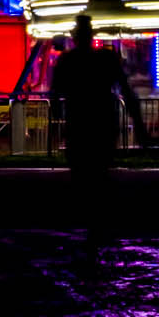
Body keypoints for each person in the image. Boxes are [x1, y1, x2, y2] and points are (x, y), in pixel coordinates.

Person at [49, 14, 145, 251]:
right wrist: (138, 122)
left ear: (74, 37)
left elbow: (55, 94)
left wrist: (56, 121)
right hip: (102, 122)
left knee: (83, 174)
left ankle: (91, 224)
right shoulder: (105, 59)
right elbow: (126, 90)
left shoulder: (67, 61)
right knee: (99, 173)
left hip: (80, 123)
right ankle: (98, 224)